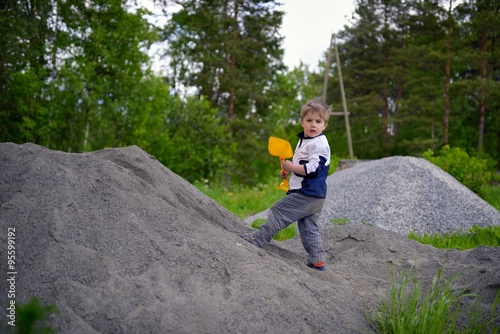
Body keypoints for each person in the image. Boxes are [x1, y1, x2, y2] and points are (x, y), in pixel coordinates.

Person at [239, 97, 331, 271]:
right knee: (308, 226)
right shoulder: (305, 141)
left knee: (278, 211)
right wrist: (288, 170)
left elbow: (313, 169)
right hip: (315, 194)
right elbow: (302, 165)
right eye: (309, 120)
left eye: (318, 121)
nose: (313, 125)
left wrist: (291, 166)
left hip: (308, 193)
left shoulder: (319, 144)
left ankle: (258, 239)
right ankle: (317, 260)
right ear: (302, 122)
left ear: (324, 125)